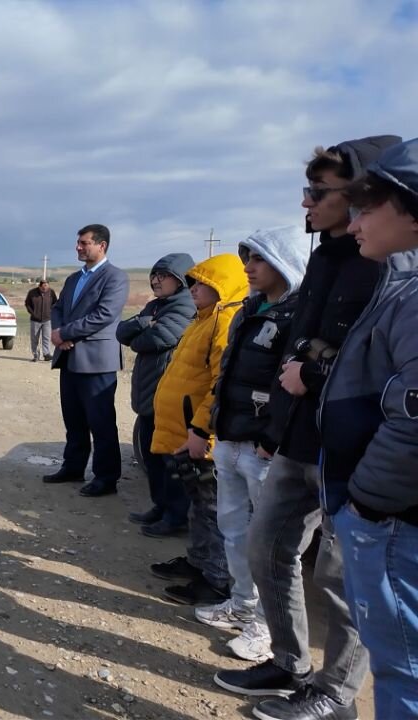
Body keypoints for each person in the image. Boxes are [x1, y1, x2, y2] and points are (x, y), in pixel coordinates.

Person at [214, 136, 399, 720]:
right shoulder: (324, 256)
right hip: (296, 438)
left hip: (351, 449)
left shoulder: (390, 268)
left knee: (342, 580)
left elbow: (377, 366)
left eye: (319, 192)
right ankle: (289, 661)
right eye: (307, 190)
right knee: (268, 544)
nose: (307, 204)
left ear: (364, 191)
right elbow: (298, 345)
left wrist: (312, 371)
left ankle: (337, 694)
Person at [322, 138, 418, 719]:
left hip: (392, 520)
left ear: (410, 208)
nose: (355, 224)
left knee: (402, 669)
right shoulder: (402, 287)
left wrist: (367, 503)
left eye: (368, 207)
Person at [199, 227, 308, 665]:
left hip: (264, 447)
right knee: (234, 530)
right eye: (248, 258)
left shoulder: (298, 315)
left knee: (272, 547)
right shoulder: (248, 308)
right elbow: (230, 374)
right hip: (231, 437)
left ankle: (267, 628)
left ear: (283, 264)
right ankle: (241, 605)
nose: (249, 267)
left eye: (259, 259)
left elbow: (292, 384)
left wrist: (271, 439)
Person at [146, 253, 247, 606]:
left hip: (201, 436)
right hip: (187, 433)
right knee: (198, 504)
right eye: (191, 282)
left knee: (213, 508)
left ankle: (216, 580)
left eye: (201, 283)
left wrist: (202, 430)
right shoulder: (203, 319)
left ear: (220, 285)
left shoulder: (226, 321)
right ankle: (198, 563)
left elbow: (219, 383)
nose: (193, 289)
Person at [44, 225, 131, 496]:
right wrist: (58, 333)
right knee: (74, 419)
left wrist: (66, 333)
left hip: (96, 361)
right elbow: (57, 308)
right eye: (78, 243)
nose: (78, 248)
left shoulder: (115, 277)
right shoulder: (73, 279)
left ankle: (106, 478)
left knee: (101, 421)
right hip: (69, 358)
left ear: (101, 245)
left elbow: (104, 315)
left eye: (84, 243)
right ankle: (73, 467)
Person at [116, 253, 196, 532]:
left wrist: (143, 328)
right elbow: (122, 333)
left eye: (163, 276)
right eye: (154, 275)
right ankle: (160, 507)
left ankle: (176, 517)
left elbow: (155, 339)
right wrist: (143, 323)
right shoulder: (155, 307)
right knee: (152, 458)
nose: (155, 281)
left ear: (182, 280)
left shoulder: (185, 307)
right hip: (151, 396)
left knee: (171, 461)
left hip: (169, 398)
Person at [25, 280, 59, 362]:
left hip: (47, 319)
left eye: (47, 287)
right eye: (43, 288)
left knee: (46, 338)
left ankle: (46, 354)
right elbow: (27, 304)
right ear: (39, 287)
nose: (45, 289)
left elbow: (55, 303)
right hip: (35, 320)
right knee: (34, 338)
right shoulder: (32, 293)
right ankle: (36, 355)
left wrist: (51, 312)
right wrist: (32, 313)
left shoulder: (51, 292)